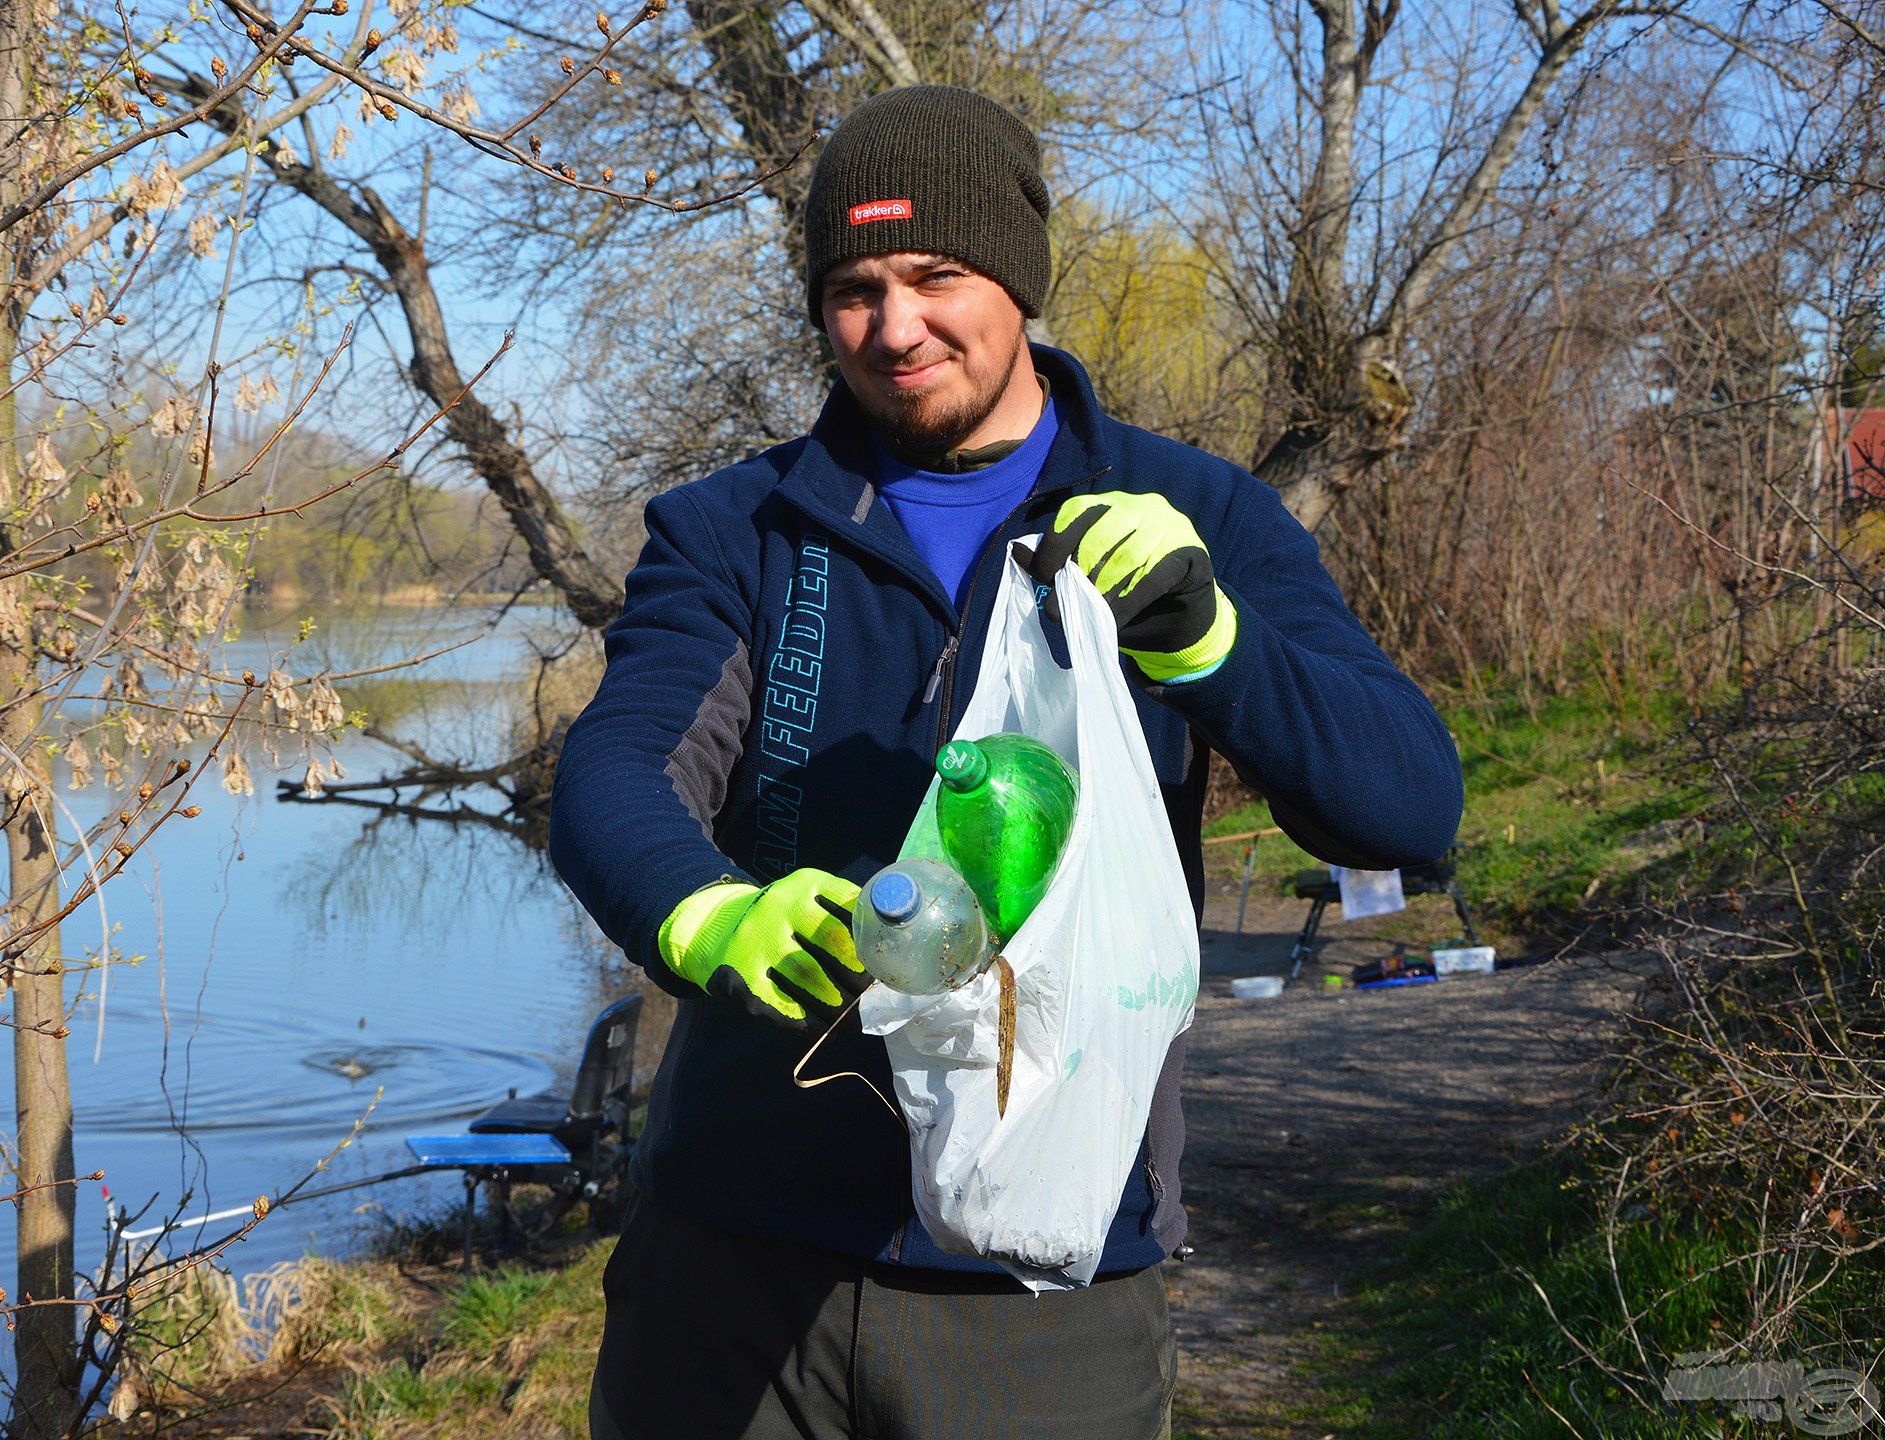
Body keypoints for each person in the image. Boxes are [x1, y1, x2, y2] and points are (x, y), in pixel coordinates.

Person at [549, 84, 1463, 1440]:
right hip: (731, 1247)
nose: (895, 326)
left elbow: (1404, 807)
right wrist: (705, 910)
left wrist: (1211, 641)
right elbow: (616, 770)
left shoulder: (1198, 511)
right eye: (853, 287)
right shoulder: (734, 528)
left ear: (1018, 284)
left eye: (935, 276)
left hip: (1044, 1271)